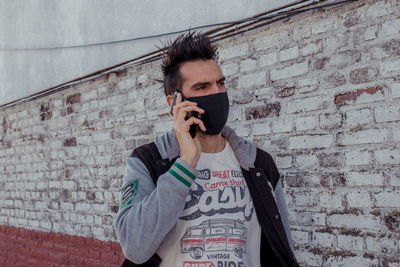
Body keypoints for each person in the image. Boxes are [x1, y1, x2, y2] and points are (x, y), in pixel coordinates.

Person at [115, 32, 299, 267]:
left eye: (220, 83)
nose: (217, 93)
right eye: (202, 87)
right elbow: (135, 247)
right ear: (175, 101)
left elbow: (283, 248)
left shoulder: (258, 164)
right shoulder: (150, 161)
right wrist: (187, 161)